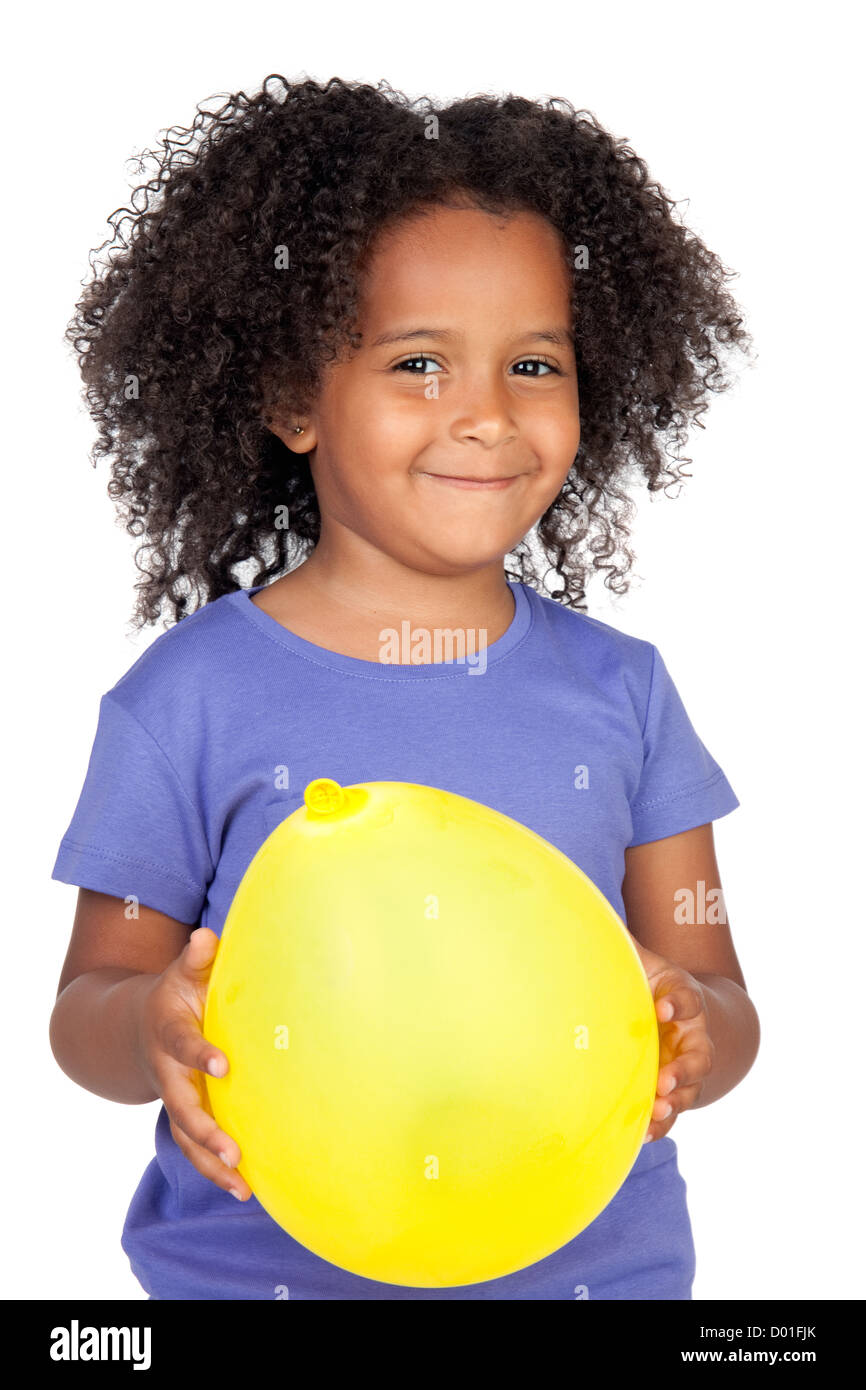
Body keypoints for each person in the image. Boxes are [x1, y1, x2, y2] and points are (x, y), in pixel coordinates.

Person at [49, 74, 760, 1300]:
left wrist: (687, 1023)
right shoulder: (186, 701)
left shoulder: (623, 694)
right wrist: (154, 1025)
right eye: (420, 362)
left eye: (533, 364)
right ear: (289, 399)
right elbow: (87, 1010)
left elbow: (725, 1000)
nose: (484, 416)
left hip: (591, 1277)